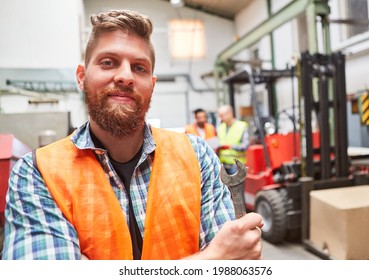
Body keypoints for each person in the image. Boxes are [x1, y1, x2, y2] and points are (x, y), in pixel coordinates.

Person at [2, 10, 262, 260]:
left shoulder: (197, 156)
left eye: (139, 68)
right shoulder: (37, 171)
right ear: (82, 77)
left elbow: (234, 264)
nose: (125, 76)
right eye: (108, 62)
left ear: (152, 84)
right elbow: (223, 258)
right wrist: (212, 257)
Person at [217, 105, 250, 175]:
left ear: (230, 114)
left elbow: (245, 145)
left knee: (237, 186)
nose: (221, 118)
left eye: (222, 116)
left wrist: (230, 147)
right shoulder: (221, 127)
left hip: (236, 165)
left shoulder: (242, 126)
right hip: (223, 166)